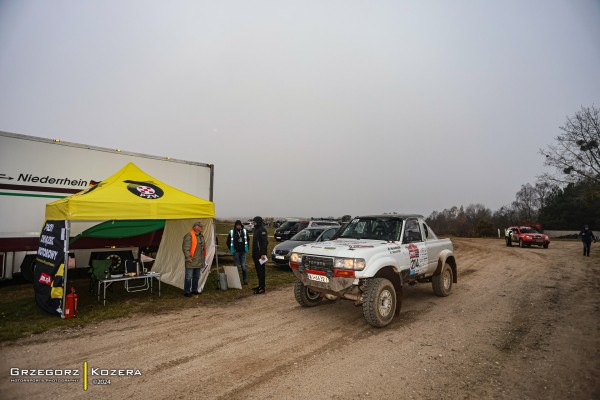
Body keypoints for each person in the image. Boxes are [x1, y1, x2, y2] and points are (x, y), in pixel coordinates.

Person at [181, 221, 206, 297]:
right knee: (188, 277)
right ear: (196, 227)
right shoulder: (189, 236)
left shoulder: (201, 236)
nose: (202, 228)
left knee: (196, 276)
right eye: (200, 227)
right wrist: (188, 258)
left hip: (198, 260)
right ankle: (187, 292)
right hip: (191, 260)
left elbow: (202, 248)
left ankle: (194, 290)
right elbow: (185, 248)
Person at [226, 220, 250, 285]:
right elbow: (228, 242)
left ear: (241, 225)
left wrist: (247, 248)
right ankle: (236, 281)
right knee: (236, 266)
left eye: (239, 225)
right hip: (236, 252)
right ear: (235, 225)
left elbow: (248, 240)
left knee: (243, 266)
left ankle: (245, 279)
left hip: (243, 252)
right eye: (237, 225)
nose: (238, 226)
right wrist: (232, 249)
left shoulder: (244, 231)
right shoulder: (232, 232)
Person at [251, 216, 268, 294]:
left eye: (254, 222)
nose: (253, 223)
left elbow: (265, 243)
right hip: (255, 254)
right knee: (258, 270)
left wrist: (263, 254)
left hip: (260, 255)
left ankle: (262, 287)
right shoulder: (256, 229)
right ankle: (260, 285)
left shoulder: (262, 230)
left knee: (261, 271)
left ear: (258, 222)